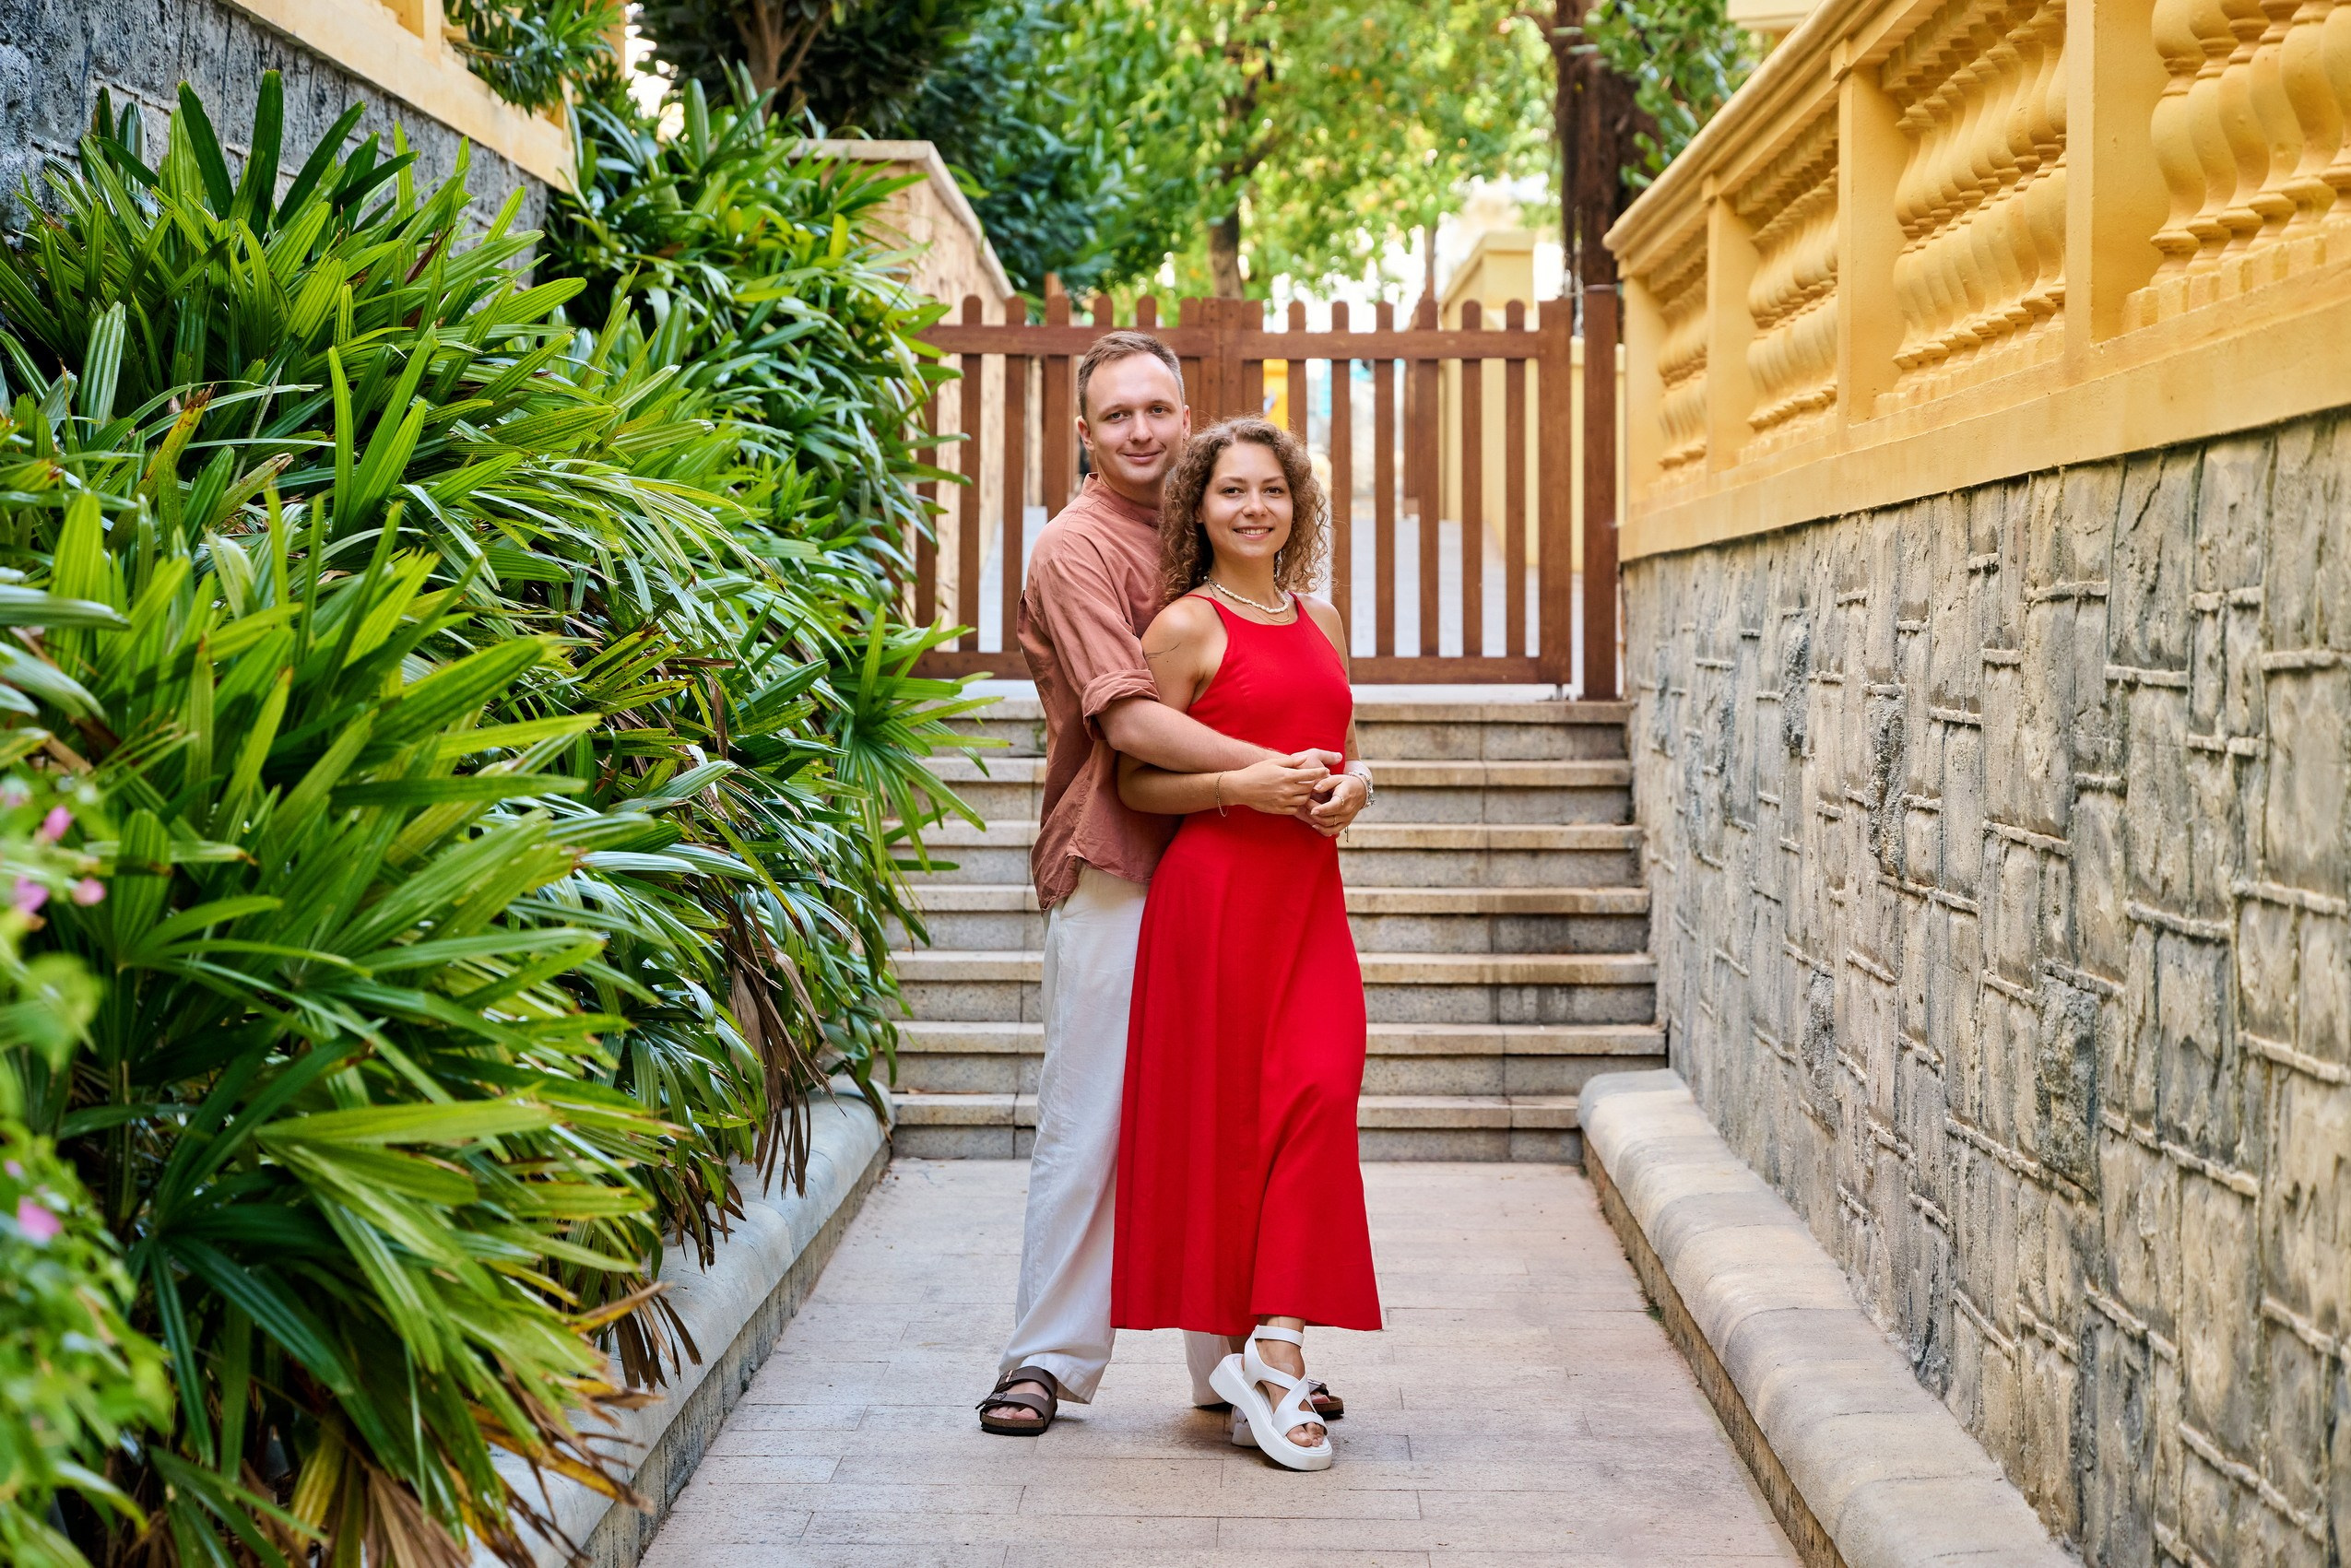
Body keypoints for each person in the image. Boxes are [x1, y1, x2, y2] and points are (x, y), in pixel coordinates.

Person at [976, 336, 1372, 1436]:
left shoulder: (1211, 524)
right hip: (1119, 857)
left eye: (1160, 410)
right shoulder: (1074, 548)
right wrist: (1254, 780)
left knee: (1233, 1111)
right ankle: (1044, 1359)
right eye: (1119, 416)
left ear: (1185, 415)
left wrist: (1327, 780)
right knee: (1092, 1113)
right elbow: (1131, 720)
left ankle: (1235, 1362)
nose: (1142, 431)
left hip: (1231, 871)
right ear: (1087, 433)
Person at [1110, 417, 1380, 1473]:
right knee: (1233, 1126)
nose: (1254, 507)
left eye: (1272, 490)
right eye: (1232, 492)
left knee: (1319, 1093)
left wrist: (1356, 788)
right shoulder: (1183, 626)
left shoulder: (1324, 617)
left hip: (1308, 899)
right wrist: (1238, 785)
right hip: (1214, 899)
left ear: (1296, 506)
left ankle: (1272, 1344)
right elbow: (1134, 778)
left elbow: (1343, 748)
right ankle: (1271, 1358)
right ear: (1200, 509)